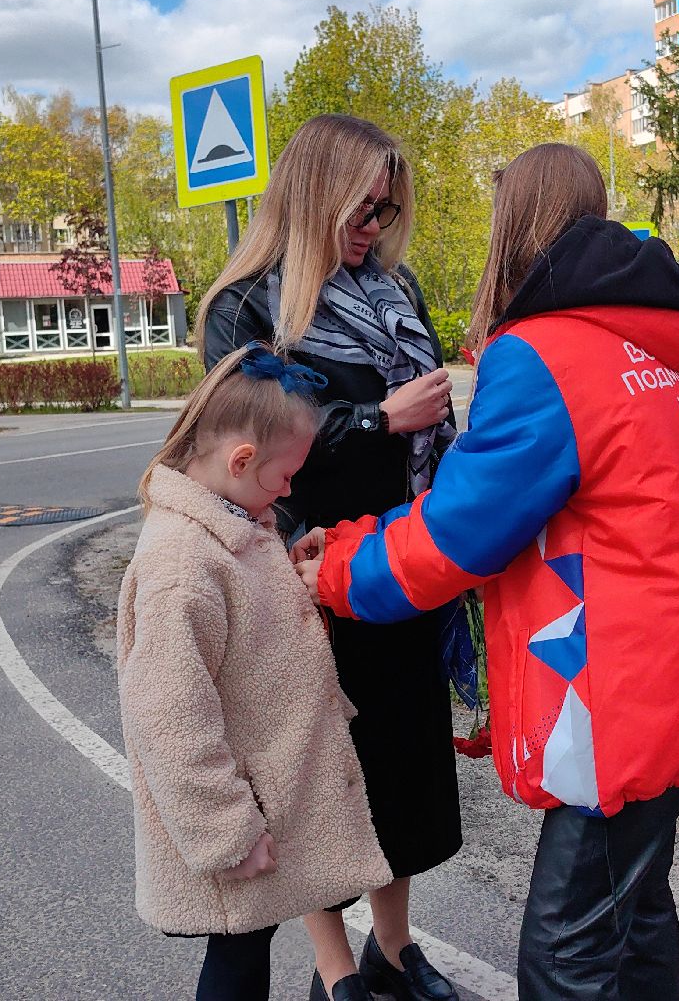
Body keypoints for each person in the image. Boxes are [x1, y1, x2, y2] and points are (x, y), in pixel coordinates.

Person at [300, 143, 679, 1000]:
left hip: (621, 686)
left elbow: (459, 534)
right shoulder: (649, 345)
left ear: (511, 222)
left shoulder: (542, 355)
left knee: (566, 945)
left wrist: (336, 566)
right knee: (637, 909)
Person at [199, 114, 463, 1001]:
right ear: (314, 198)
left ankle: (394, 951)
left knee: (404, 770)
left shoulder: (395, 287)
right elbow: (247, 442)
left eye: (387, 212)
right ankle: (335, 970)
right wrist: (382, 419)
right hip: (304, 567)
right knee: (320, 777)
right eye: (361, 210)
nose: (374, 230)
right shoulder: (246, 304)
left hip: (400, 557)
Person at [116, 342, 392, 1001]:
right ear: (241, 460)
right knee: (237, 956)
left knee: (250, 941)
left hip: (265, 796)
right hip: (239, 817)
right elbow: (167, 717)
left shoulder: (235, 523)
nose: (291, 489)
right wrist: (226, 833)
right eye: (284, 475)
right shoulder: (183, 565)